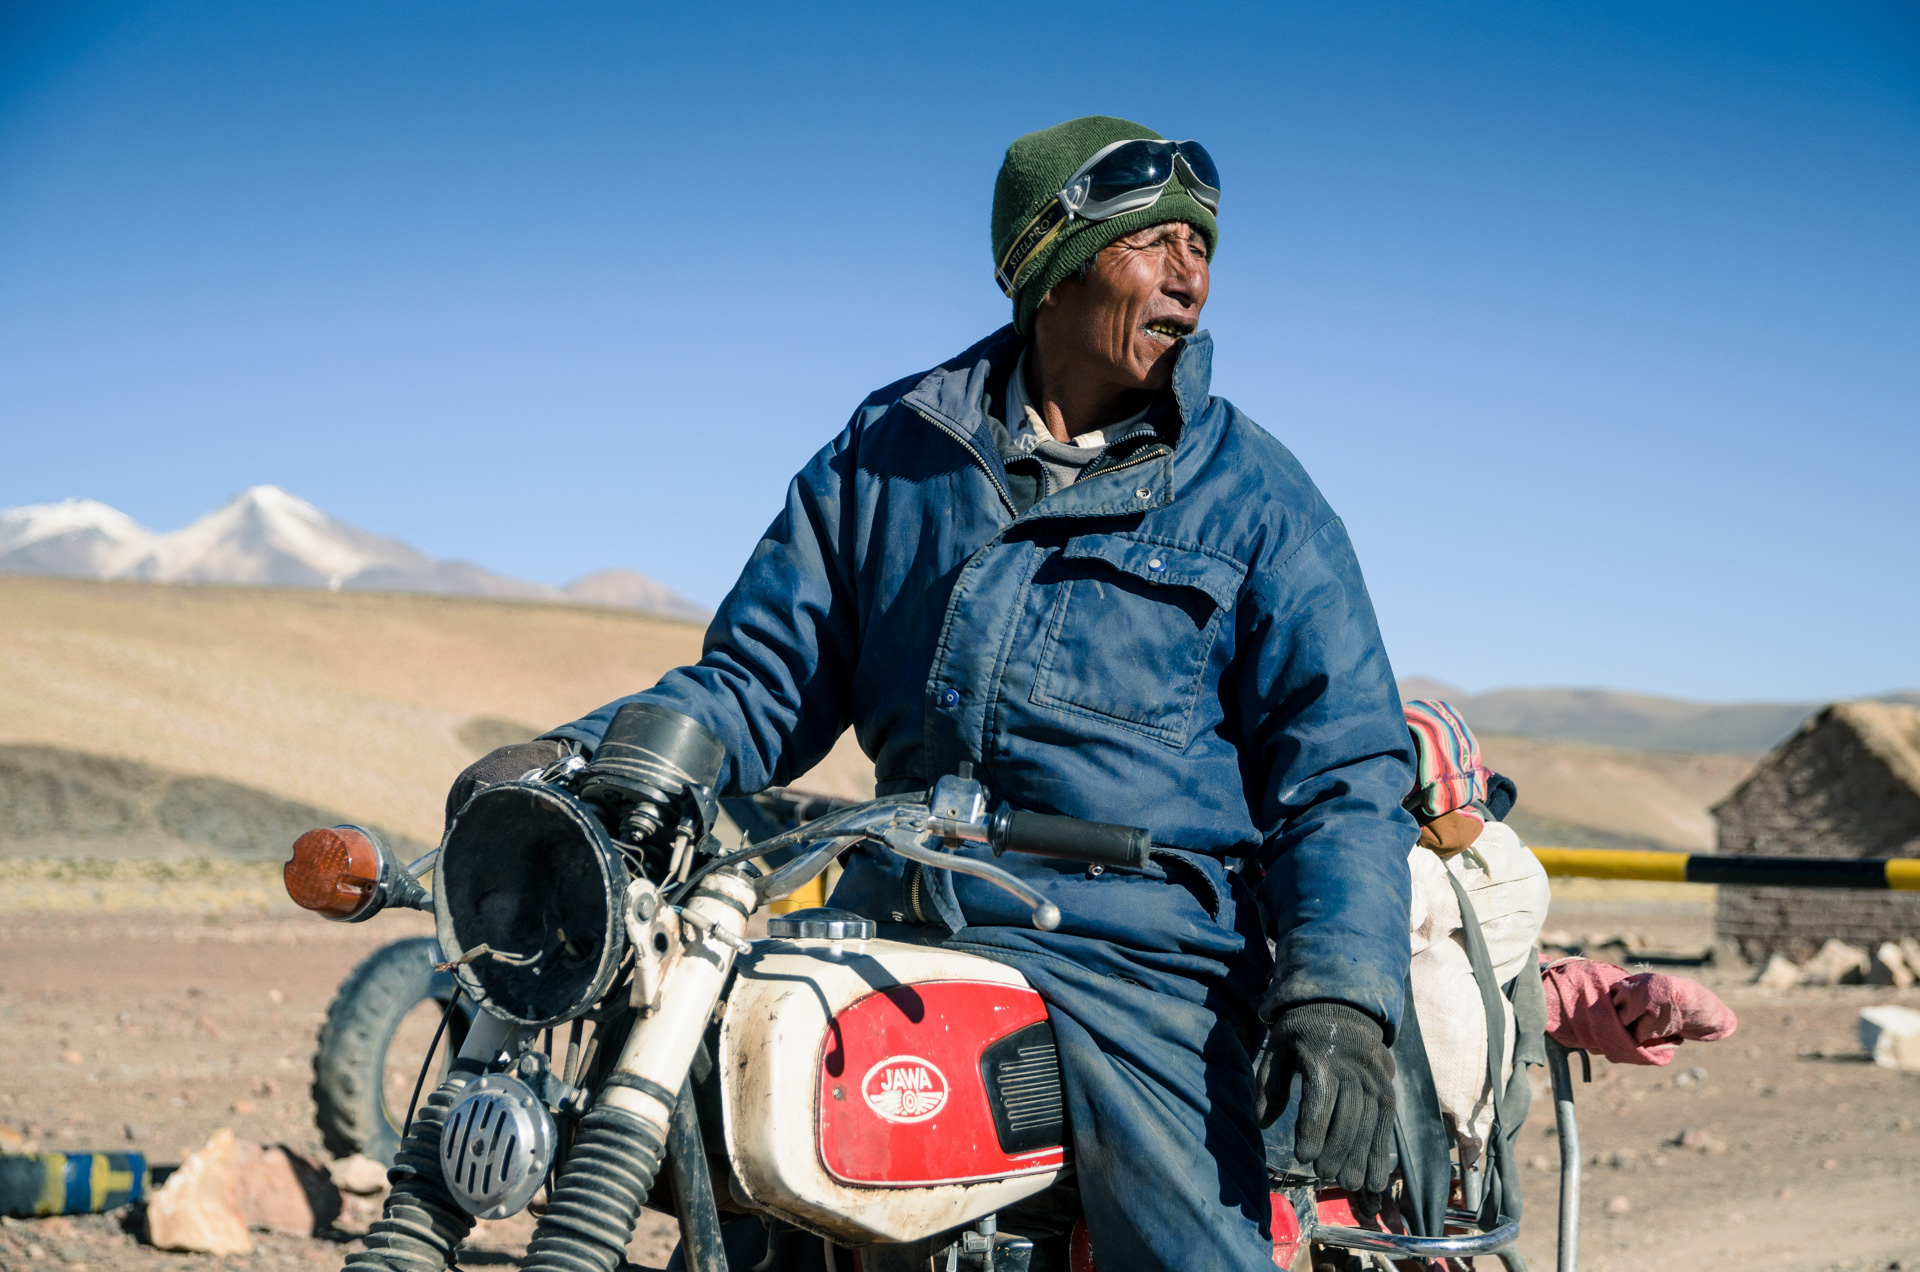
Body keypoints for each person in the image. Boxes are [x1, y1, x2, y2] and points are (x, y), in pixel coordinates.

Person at [453, 115, 1417, 1271]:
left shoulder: (1256, 499)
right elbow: (760, 680)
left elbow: (1345, 768)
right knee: (731, 1143)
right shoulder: (891, 453)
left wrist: (1342, 993)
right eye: (1153, 242)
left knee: (1191, 1247)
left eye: (1202, 246)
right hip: (897, 908)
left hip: (1136, 957)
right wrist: (580, 759)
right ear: (1052, 262)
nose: (1191, 274)